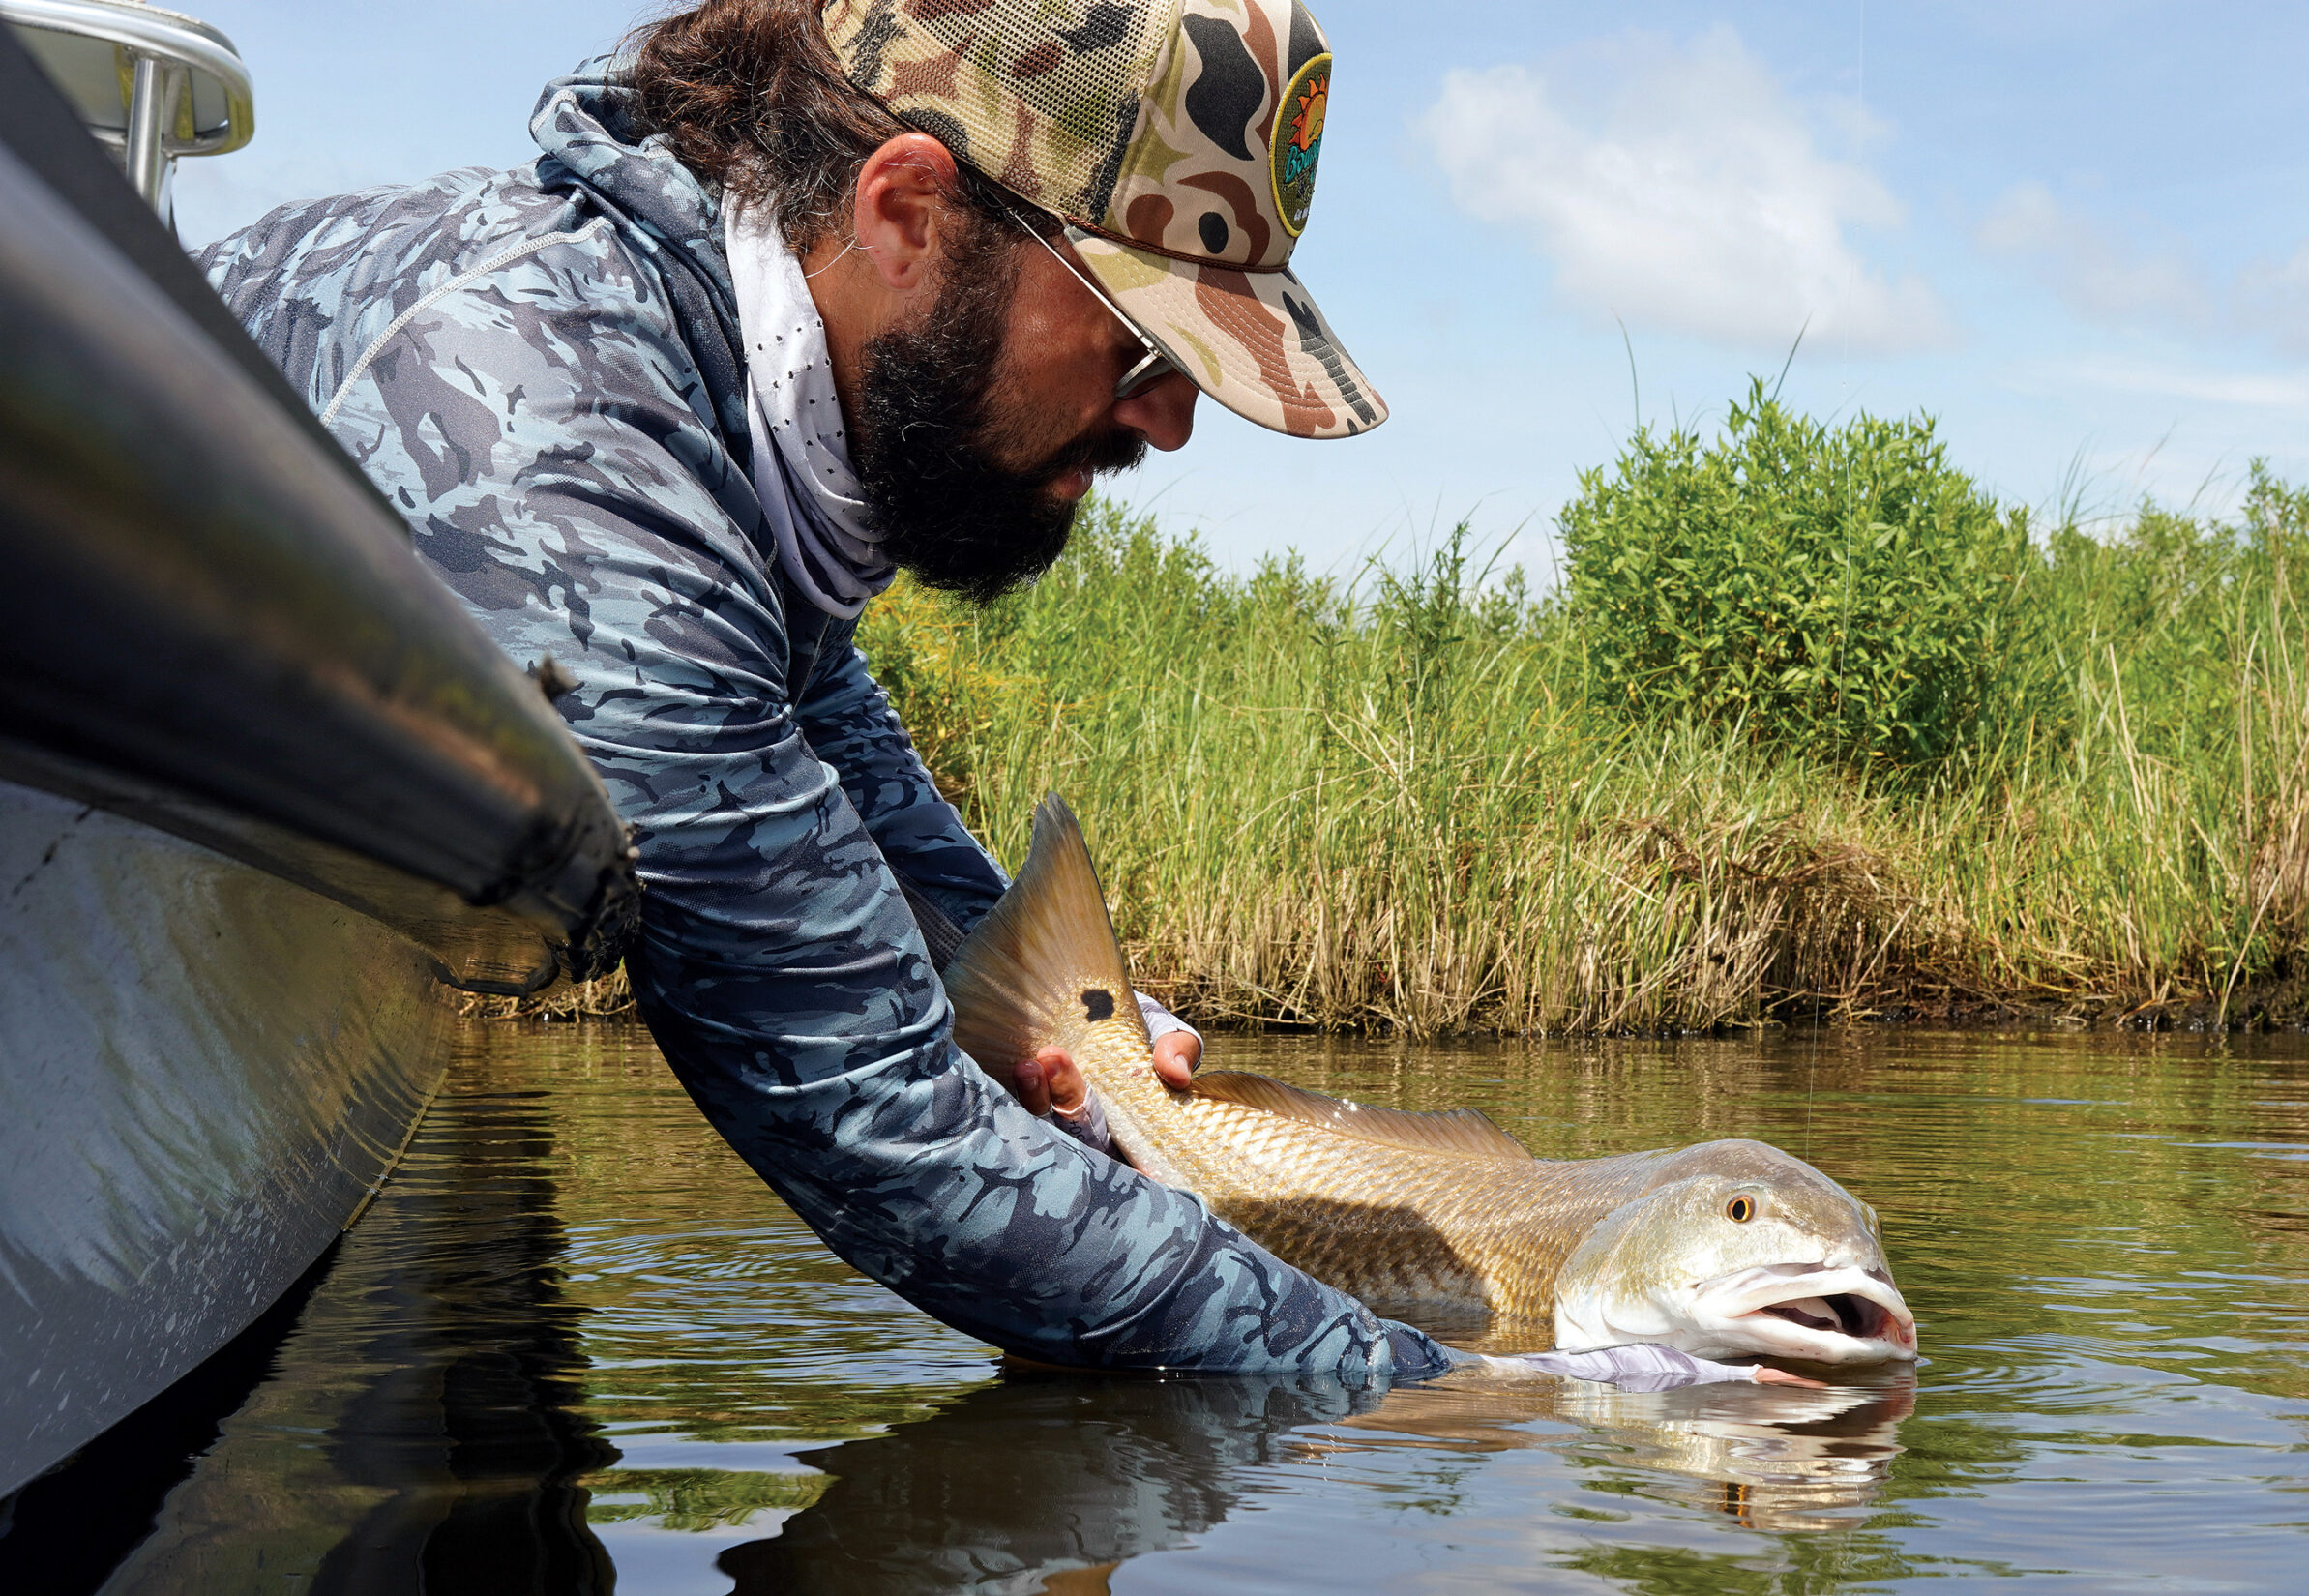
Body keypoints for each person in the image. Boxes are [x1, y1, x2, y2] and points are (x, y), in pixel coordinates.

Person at [200, 0, 1436, 1380]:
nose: (1171, 417)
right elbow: (877, 1112)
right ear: (905, 211)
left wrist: (1081, 1024)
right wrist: (1463, 1391)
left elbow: (807, 714)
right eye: (1140, 341)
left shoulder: (709, 401)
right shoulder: (562, 453)